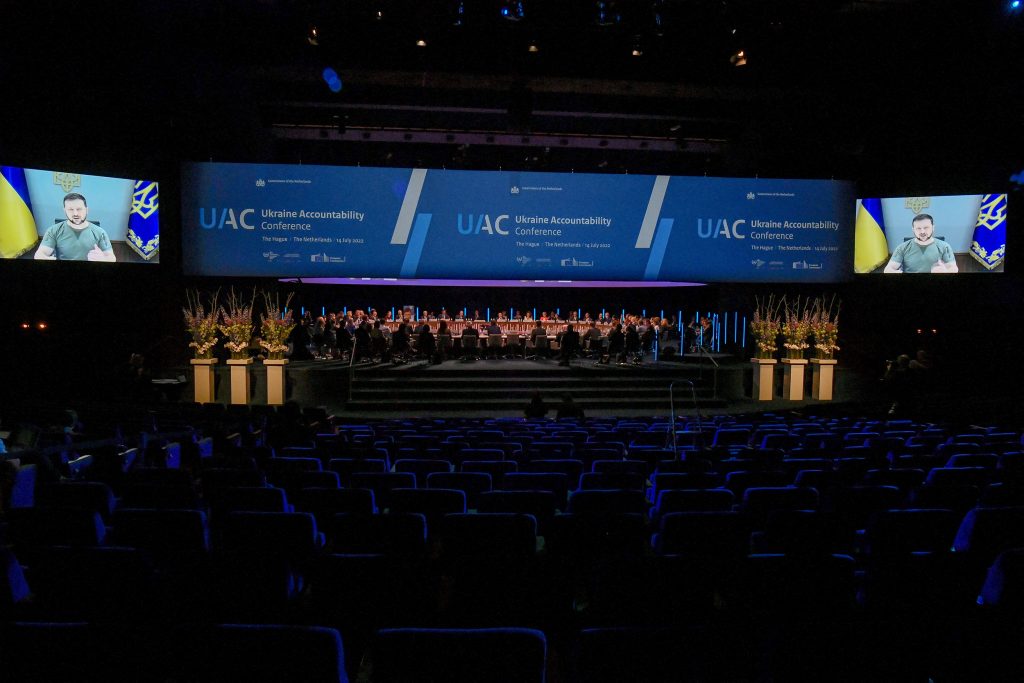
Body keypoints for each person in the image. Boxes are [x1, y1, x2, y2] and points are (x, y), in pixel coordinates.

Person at [34, 192, 116, 261]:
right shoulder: (53, 230)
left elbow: (112, 258)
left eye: (79, 209)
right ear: (64, 211)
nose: (75, 214)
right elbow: (39, 254)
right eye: (70, 209)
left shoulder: (100, 232)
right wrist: (44, 257)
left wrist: (103, 259)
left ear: (87, 210)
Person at [884, 213, 958, 273]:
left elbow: (954, 269)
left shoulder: (945, 246)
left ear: (933, 228)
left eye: (926, 227)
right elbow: (888, 269)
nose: (922, 231)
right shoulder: (902, 247)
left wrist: (945, 271)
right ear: (913, 229)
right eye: (918, 228)